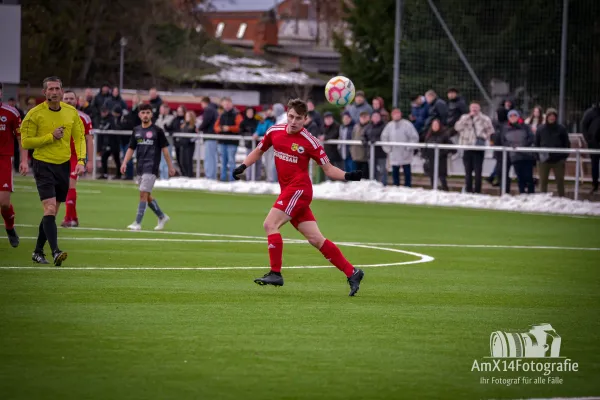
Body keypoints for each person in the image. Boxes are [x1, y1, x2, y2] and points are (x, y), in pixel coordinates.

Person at [231, 99, 365, 296]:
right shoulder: (274, 131)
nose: (293, 121)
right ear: (287, 114)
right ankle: (352, 272)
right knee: (316, 239)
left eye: (298, 118)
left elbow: (328, 169)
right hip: (288, 191)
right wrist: (243, 166)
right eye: (291, 116)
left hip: (299, 190)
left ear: (305, 119)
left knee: (270, 224)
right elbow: (259, 150)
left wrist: (348, 176)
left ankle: (275, 273)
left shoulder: (310, 141)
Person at [20, 76, 86, 266]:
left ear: (62, 91)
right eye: (51, 89)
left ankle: (37, 251)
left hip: (63, 166)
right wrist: (50, 137)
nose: (55, 92)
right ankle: (55, 251)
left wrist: (80, 160)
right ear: (44, 92)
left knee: (52, 213)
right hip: (43, 165)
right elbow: (26, 142)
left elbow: (80, 138)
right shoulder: (34, 114)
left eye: (57, 88)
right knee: (49, 208)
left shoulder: (71, 112)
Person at [120, 104, 175, 231]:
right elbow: (131, 148)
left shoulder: (157, 131)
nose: (145, 115)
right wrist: (124, 163)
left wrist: (170, 166)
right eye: (143, 112)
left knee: (143, 194)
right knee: (147, 195)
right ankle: (161, 216)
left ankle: (137, 223)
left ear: (151, 114)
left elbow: (165, 151)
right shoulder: (136, 130)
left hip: (152, 166)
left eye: (148, 113)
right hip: (140, 166)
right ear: (139, 115)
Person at [60, 90, 94, 227]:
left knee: (70, 185)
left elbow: (89, 140)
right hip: (59, 156)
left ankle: (68, 218)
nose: (68, 101)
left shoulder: (84, 118)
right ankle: (74, 217)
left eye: (71, 98)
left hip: (76, 157)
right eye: (66, 98)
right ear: (62, 100)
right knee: (60, 188)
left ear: (76, 101)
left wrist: (89, 160)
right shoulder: (55, 116)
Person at [0, 87, 29, 247]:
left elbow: (21, 138)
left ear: (1, 93)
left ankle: (10, 227)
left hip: (4, 160)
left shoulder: (11, 113)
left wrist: (24, 160)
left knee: (4, 203)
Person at [454, 102, 495, 194]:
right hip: (467, 147)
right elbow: (457, 127)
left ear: (479, 109)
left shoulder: (485, 119)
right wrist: (467, 117)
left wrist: (483, 136)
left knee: (478, 171)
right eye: (472, 107)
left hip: (478, 148)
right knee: (468, 171)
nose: (474, 109)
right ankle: (468, 190)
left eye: (476, 107)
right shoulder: (464, 117)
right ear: (469, 108)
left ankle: (477, 191)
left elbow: (491, 131)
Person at [498, 110, 536, 194]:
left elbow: (531, 138)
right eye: (511, 116)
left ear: (518, 116)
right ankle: (522, 193)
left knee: (528, 176)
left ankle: (531, 194)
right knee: (520, 177)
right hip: (515, 156)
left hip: (527, 155)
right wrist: (511, 146)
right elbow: (503, 140)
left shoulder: (525, 126)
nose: (513, 117)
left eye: (514, 115)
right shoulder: (505, 128)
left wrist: (523, 146)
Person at [535, 108, 570, 197]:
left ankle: (562, 198)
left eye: (553, 116)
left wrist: (563, 158)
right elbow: (536, 144)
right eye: (550, 116)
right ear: (546, 117)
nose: (552, 118)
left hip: (558, 160)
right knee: (543, 182)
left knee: (560, 181)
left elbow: (566, 143)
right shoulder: (540, 129)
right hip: (544, 160)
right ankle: (543, 199)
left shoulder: (561, 129)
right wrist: (538, 157)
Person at [381, 108, 419, 187]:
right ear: (392, 115)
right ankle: (396, 186)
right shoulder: (389, 126)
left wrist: (408, 148)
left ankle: (407, 187)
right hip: (394, 153)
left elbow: (414, 137)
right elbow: (384, 137)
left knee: (407, 171)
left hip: (405, 153)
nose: (396, 115)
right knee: (395, 172)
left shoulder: (407, 124)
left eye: (397, 113)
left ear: (400, 114)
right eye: (394, 114)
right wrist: (388, 149)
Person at [214, 97, 242, 182]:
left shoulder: (237, 114)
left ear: (231, 104)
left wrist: (229, 128)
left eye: (227, 104)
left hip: (232, 142)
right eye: (224, 104)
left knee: (231, 161)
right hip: (222, 141)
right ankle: (223, 178)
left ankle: (232, 179)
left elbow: (240, 127)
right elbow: (215, 127)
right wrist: (220, 129)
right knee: (223, 162)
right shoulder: (221, 115)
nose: (226, 105)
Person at [422, 119, 455, 190]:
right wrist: (425, 156)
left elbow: (452, 148)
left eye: (436, 125)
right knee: (432, 178)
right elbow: (425, 147)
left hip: (441, 161)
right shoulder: (428, 135)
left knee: (442, 178)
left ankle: (445, 191)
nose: (435, 126)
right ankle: (434, 191)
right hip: (431, 160)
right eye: (433, 125)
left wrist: (442, 153)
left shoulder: (444, 135)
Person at [580, 102, 600, 194]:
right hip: (594, 144)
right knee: (594, 164)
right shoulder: (590, 112)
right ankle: (594, 185)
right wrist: (589, 140)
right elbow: (584, 125)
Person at [363, 110, 387, 184]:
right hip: (371, 153)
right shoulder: (368, 126)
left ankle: (383, 184)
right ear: (371, 118)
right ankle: (373, 185)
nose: (375, 118)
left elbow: (385, 137)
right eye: (374, 116)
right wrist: (364, 140)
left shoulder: (384, 126)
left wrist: (376, 140)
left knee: (382, 170)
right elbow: (363, 135)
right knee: (372, 170)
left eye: (377, 116)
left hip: (381, 152)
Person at [198, 97, 218, 180]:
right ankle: (212, 175)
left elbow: (206, 121)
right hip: (212, 135)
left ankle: (209, 176)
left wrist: (199, 128)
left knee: (209, 157)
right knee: (212, 157)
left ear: (204, 102)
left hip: (210, 135)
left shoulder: (208, 109)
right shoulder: (214, 109)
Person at [350, 111, 371, 178]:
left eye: (365, 117)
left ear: (368, 118)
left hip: (365, 156)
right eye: (362, 117)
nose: (363, 119)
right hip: (356, 154)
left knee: (365, 174)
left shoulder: (370, 126)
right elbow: (352, 137)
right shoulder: (356, 126)